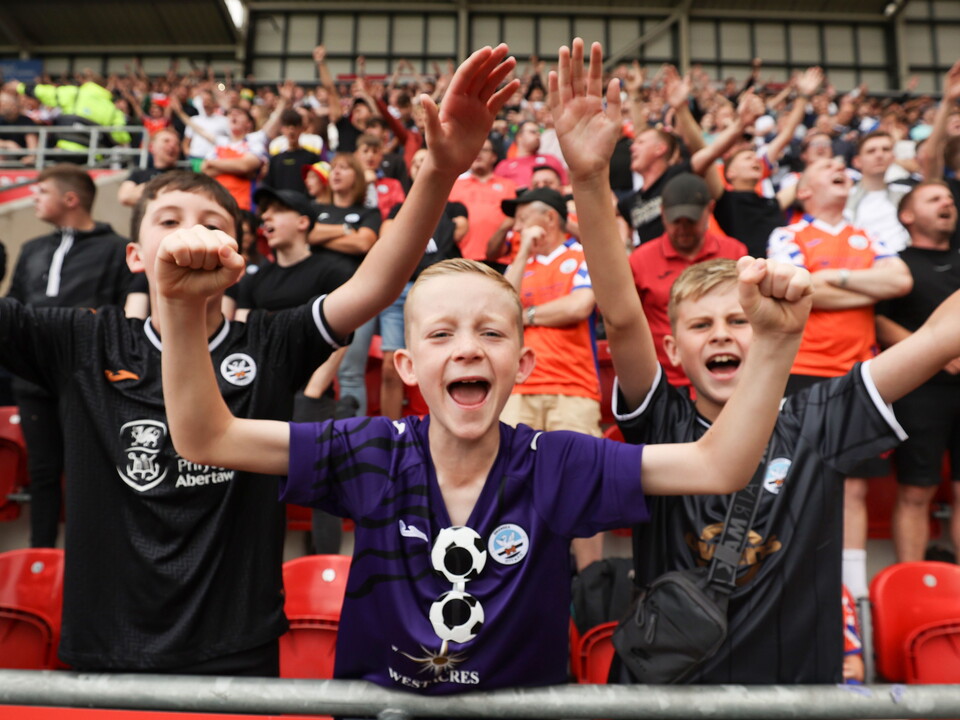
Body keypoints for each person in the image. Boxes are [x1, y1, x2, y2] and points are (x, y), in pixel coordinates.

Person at [0, 44, 519, 676]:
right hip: (104, 649)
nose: (190, 232)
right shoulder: (82, 342)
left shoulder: (268, 343)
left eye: (211, 222)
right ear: (135, 256)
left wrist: (438, 171)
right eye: (168, 219)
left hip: (237, 651)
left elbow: (376, 284)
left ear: (239, 258)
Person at [157, 207, 814, 695]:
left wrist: (777, 345)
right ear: (407, 366)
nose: (468, 348)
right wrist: (183, 312)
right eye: (441, 334)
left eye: (492, 333)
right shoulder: (371, 450)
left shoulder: (556, 463)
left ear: (523, 364)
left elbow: (717, 465)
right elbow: (205, 437)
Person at [550, 39, 960, 683]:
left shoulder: (820, 415)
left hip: (791, 693)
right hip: (671, 694)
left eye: (739, 321)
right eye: (702, 325)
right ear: (672, 349)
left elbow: (940, 338)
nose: (723, 335)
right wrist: (589, 178)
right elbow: (622, 313)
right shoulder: (663, 421)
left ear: (767, 330)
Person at [768, 155, 913, 600]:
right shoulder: (787, 234)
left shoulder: (868, 235)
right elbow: (800, 293)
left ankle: (855, 596)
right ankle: (789, 586)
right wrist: (863, 287)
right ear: (804, 191)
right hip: (800, 372)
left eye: (841, 166)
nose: (839, 168)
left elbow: (901, 282)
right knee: (795, 483)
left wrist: (834, 277)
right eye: (826, 166)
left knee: (854, 488)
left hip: (858, 376)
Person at [6, 164, 132, 549]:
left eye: (42, 191)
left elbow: (122, 317)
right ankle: (40, 557)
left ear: (71, 198)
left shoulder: (117, 250)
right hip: (31, 380)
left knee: (89, 473)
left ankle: (89, 558)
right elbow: (13, 308)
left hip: (87, 378)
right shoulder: (31, 249)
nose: (34, 197)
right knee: (42, 473)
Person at [876, 181, 960, 562]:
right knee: (915, 490)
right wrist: (933, 352)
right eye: (934, 198)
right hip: (921, 392)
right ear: (907, 216)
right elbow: (877, 322)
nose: (947, 202)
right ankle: (911, 584)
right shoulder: (895, 265)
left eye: (949, 198)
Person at [628, 172, 746, 388]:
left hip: (726, 377)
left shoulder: (734, 252)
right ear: (662, 214)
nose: (683, 229)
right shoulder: (640, 260)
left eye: (691, 221)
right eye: (676, 221)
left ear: (710, 210)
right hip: (666, 383)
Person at [377, 147, 466, 421]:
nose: (419, 164)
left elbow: (459, 233)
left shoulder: (456, 207)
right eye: (415, 162)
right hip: (401, 289)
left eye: (424, 159)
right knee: (390, 367)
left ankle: (445, 426)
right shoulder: (397, 208)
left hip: (442, 290)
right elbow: (388, 239)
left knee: (444, 362)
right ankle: (391, 433)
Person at [448, 137, 517, 262]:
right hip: (462, 259)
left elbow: (514, 218)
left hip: (500, 258)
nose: (478, 154)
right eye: (474, 150)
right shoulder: (455, 185)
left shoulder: (508, 185)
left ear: (494, 157)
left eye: (484, 150)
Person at [845, 131, 913, 253]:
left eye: (886, 149)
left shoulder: (907, 195)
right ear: (857, 161)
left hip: (905, 257)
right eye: (871, 151)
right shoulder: (843, 198)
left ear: (893, 157)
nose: (879, 155)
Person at [117, 127, 182, 207]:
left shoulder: (184, 176)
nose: (172, 146)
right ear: (151, 147)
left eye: (177, 144)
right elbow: (125, 197)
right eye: (166, 141)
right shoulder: (139, 174)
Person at [493, 119, 568, 188]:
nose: (538, 135)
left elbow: (566, 187)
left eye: (539, 132)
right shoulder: (504, 166)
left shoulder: (551, 160)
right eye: (533, 132)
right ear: (519, 137)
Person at [264, 109, 320, 194]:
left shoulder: (312, 158)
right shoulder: (275, 160)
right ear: (282, 129)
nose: (291, 131)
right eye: (287, 126)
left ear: (302, 128)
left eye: (295, 126)